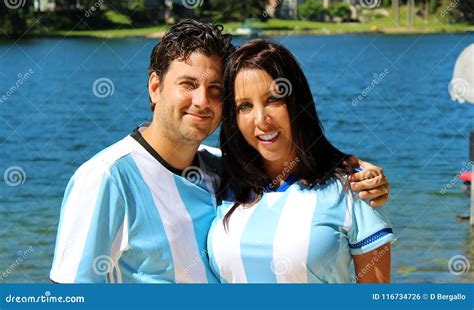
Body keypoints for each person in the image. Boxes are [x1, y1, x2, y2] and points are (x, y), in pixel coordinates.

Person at [50, 20, 391, 283]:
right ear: (155, 87)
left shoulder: (221, 170)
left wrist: (354, 170)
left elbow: (292, 171)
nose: (201, 101)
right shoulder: (105, 178)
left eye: (215, 89)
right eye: (188, 84)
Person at [208, 39, 395, 283]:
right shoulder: (218, 178)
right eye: (245, 106)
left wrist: (349, 166)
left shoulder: (354, 187)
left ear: (297, 101)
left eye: (273, 99)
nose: (260, 119)